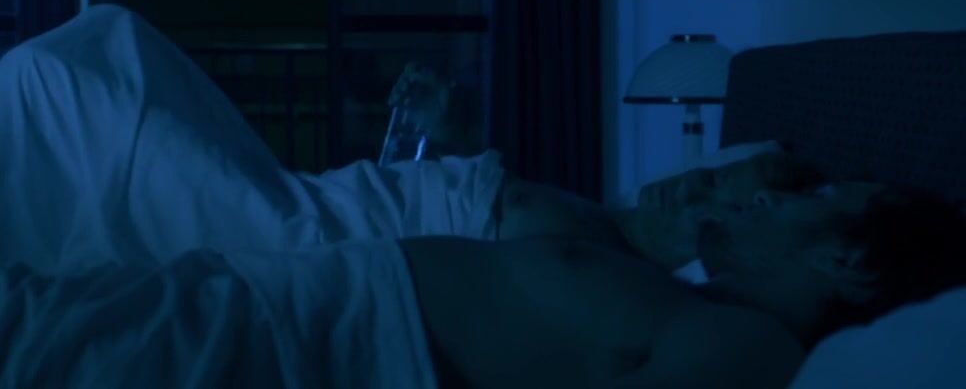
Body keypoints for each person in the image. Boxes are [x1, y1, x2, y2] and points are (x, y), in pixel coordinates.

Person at [404, 180, 966, 388]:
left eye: (819, 197)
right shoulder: (686, 300)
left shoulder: (751, 345)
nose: (767, 194)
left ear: (847, 260)